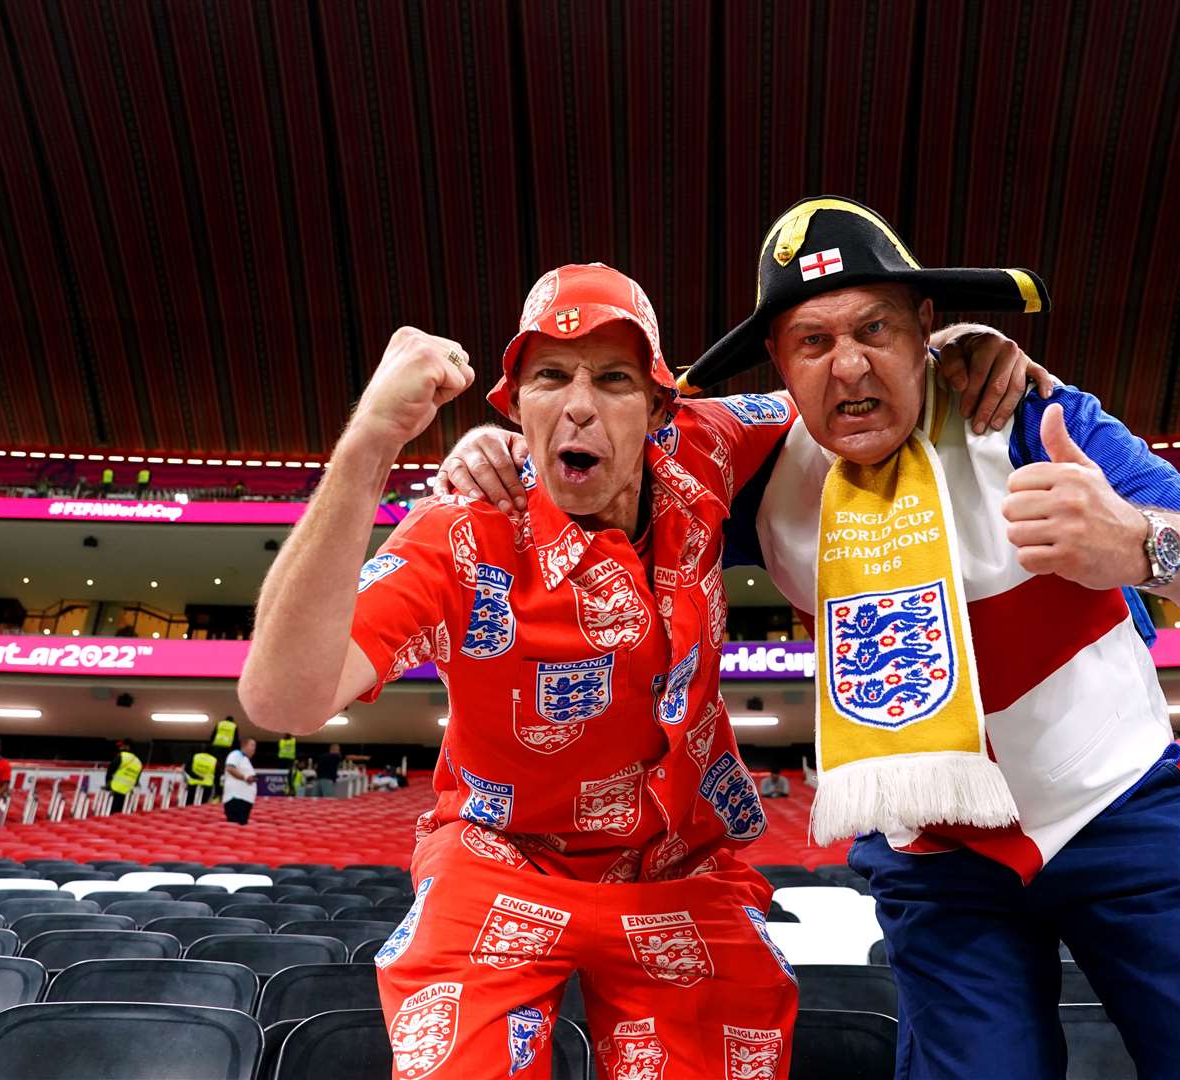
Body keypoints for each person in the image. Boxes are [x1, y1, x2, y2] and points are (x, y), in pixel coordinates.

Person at [452, 198, 1180, 1077]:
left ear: (928, 328)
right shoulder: (758, 471)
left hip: (1124, 811)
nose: (849, 366)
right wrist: (500, 450)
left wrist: (1137, 542)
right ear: (777, 367)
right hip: (938, 855)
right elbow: (598, 465)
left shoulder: (1031, 416)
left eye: (876, 328)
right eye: (812, 342)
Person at [240, 265, 811, 1078]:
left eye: (614, 378)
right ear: (514, 408)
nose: (580, 402)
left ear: (658, 407)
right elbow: (279, 699)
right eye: (551, 376)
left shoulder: (705, 445)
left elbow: (839, 386)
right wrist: (370, 443)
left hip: (681, 865)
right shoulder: (458, 534)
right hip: (499, 858)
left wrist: (960, 352)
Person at [222, 737, 257, 825]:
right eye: (252, 745)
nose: (254, 748)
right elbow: (230, 768)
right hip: (236, 799)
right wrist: (246, 778)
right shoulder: (236, 754)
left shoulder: (245, 759)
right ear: (244, 745)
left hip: (244, 799)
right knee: (235, 826)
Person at [106, 739, 143, 814]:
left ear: (127, 747)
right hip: (129, 792)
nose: (120, 748)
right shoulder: (139, 762)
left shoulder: (121, 756)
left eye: (122, 746)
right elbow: (136, 781)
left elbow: (110, 771)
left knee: (113, 813)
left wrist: (108, 784)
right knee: (123, 816)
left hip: (116, 789)